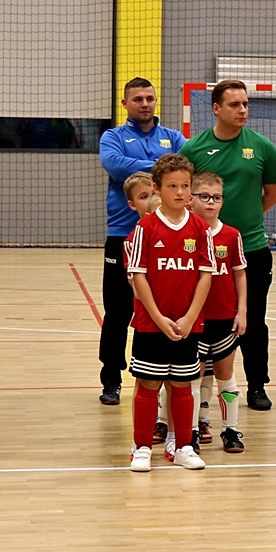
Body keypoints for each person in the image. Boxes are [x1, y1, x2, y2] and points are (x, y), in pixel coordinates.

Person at [182, 80, 276, 412]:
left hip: (251, 249)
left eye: (245, 104)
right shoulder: (194, 149)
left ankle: (257, 385)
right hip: (201, 250)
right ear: (216, 108)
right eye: (234, 104)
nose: (242, 110)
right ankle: (197, 387)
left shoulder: (262, 147)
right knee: (204, 319)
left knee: (252, 320)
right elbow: (182, 194)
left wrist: (242, 224)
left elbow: (273, 192)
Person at [97, 78, 186, 406]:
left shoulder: (173, 137)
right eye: (137, 99)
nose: (145, 104)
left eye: (150, 98)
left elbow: (187, 169)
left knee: (163, 308)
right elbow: (116, 165)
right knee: (118, 311)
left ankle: (164, 377)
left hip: (167, 236)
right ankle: (111, 378)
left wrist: (164, 172)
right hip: (123, 235)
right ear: (125, 103)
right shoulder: (113, 137)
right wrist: (165, 169)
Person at [123, 154, 214, 473]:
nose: (180, 192)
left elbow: (205, 276)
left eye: (185, 186)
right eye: (172, 186)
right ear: (157, 188)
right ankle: (141, 447)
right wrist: (159, 319)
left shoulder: (200, 228)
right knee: (148, 384)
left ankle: (183, 445)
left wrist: (189, 318)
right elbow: (138, 277)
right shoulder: (145, 228)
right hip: (152, 324)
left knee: (182, 384)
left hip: (188, 324)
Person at [191, 171, 249, 454]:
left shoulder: (231, 235)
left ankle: (230, 430)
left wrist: (242, 311)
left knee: (226, 376)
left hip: (224, 318)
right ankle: (191, 430)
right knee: (193, 378)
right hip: (194, 320)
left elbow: (239, 274)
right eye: (204, 197)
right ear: (191, 199)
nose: (210, 202)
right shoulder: (187, 234)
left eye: (216, 197)